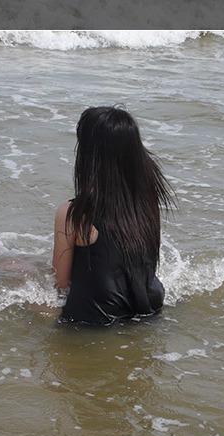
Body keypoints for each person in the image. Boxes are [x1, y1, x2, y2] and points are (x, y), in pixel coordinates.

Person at [52, 106, 176, 325]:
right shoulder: (147, 202)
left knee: (23, 278)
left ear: (90, 156)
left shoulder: (73, 214)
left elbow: (59, 285)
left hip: (95, 321)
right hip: (148, 309)